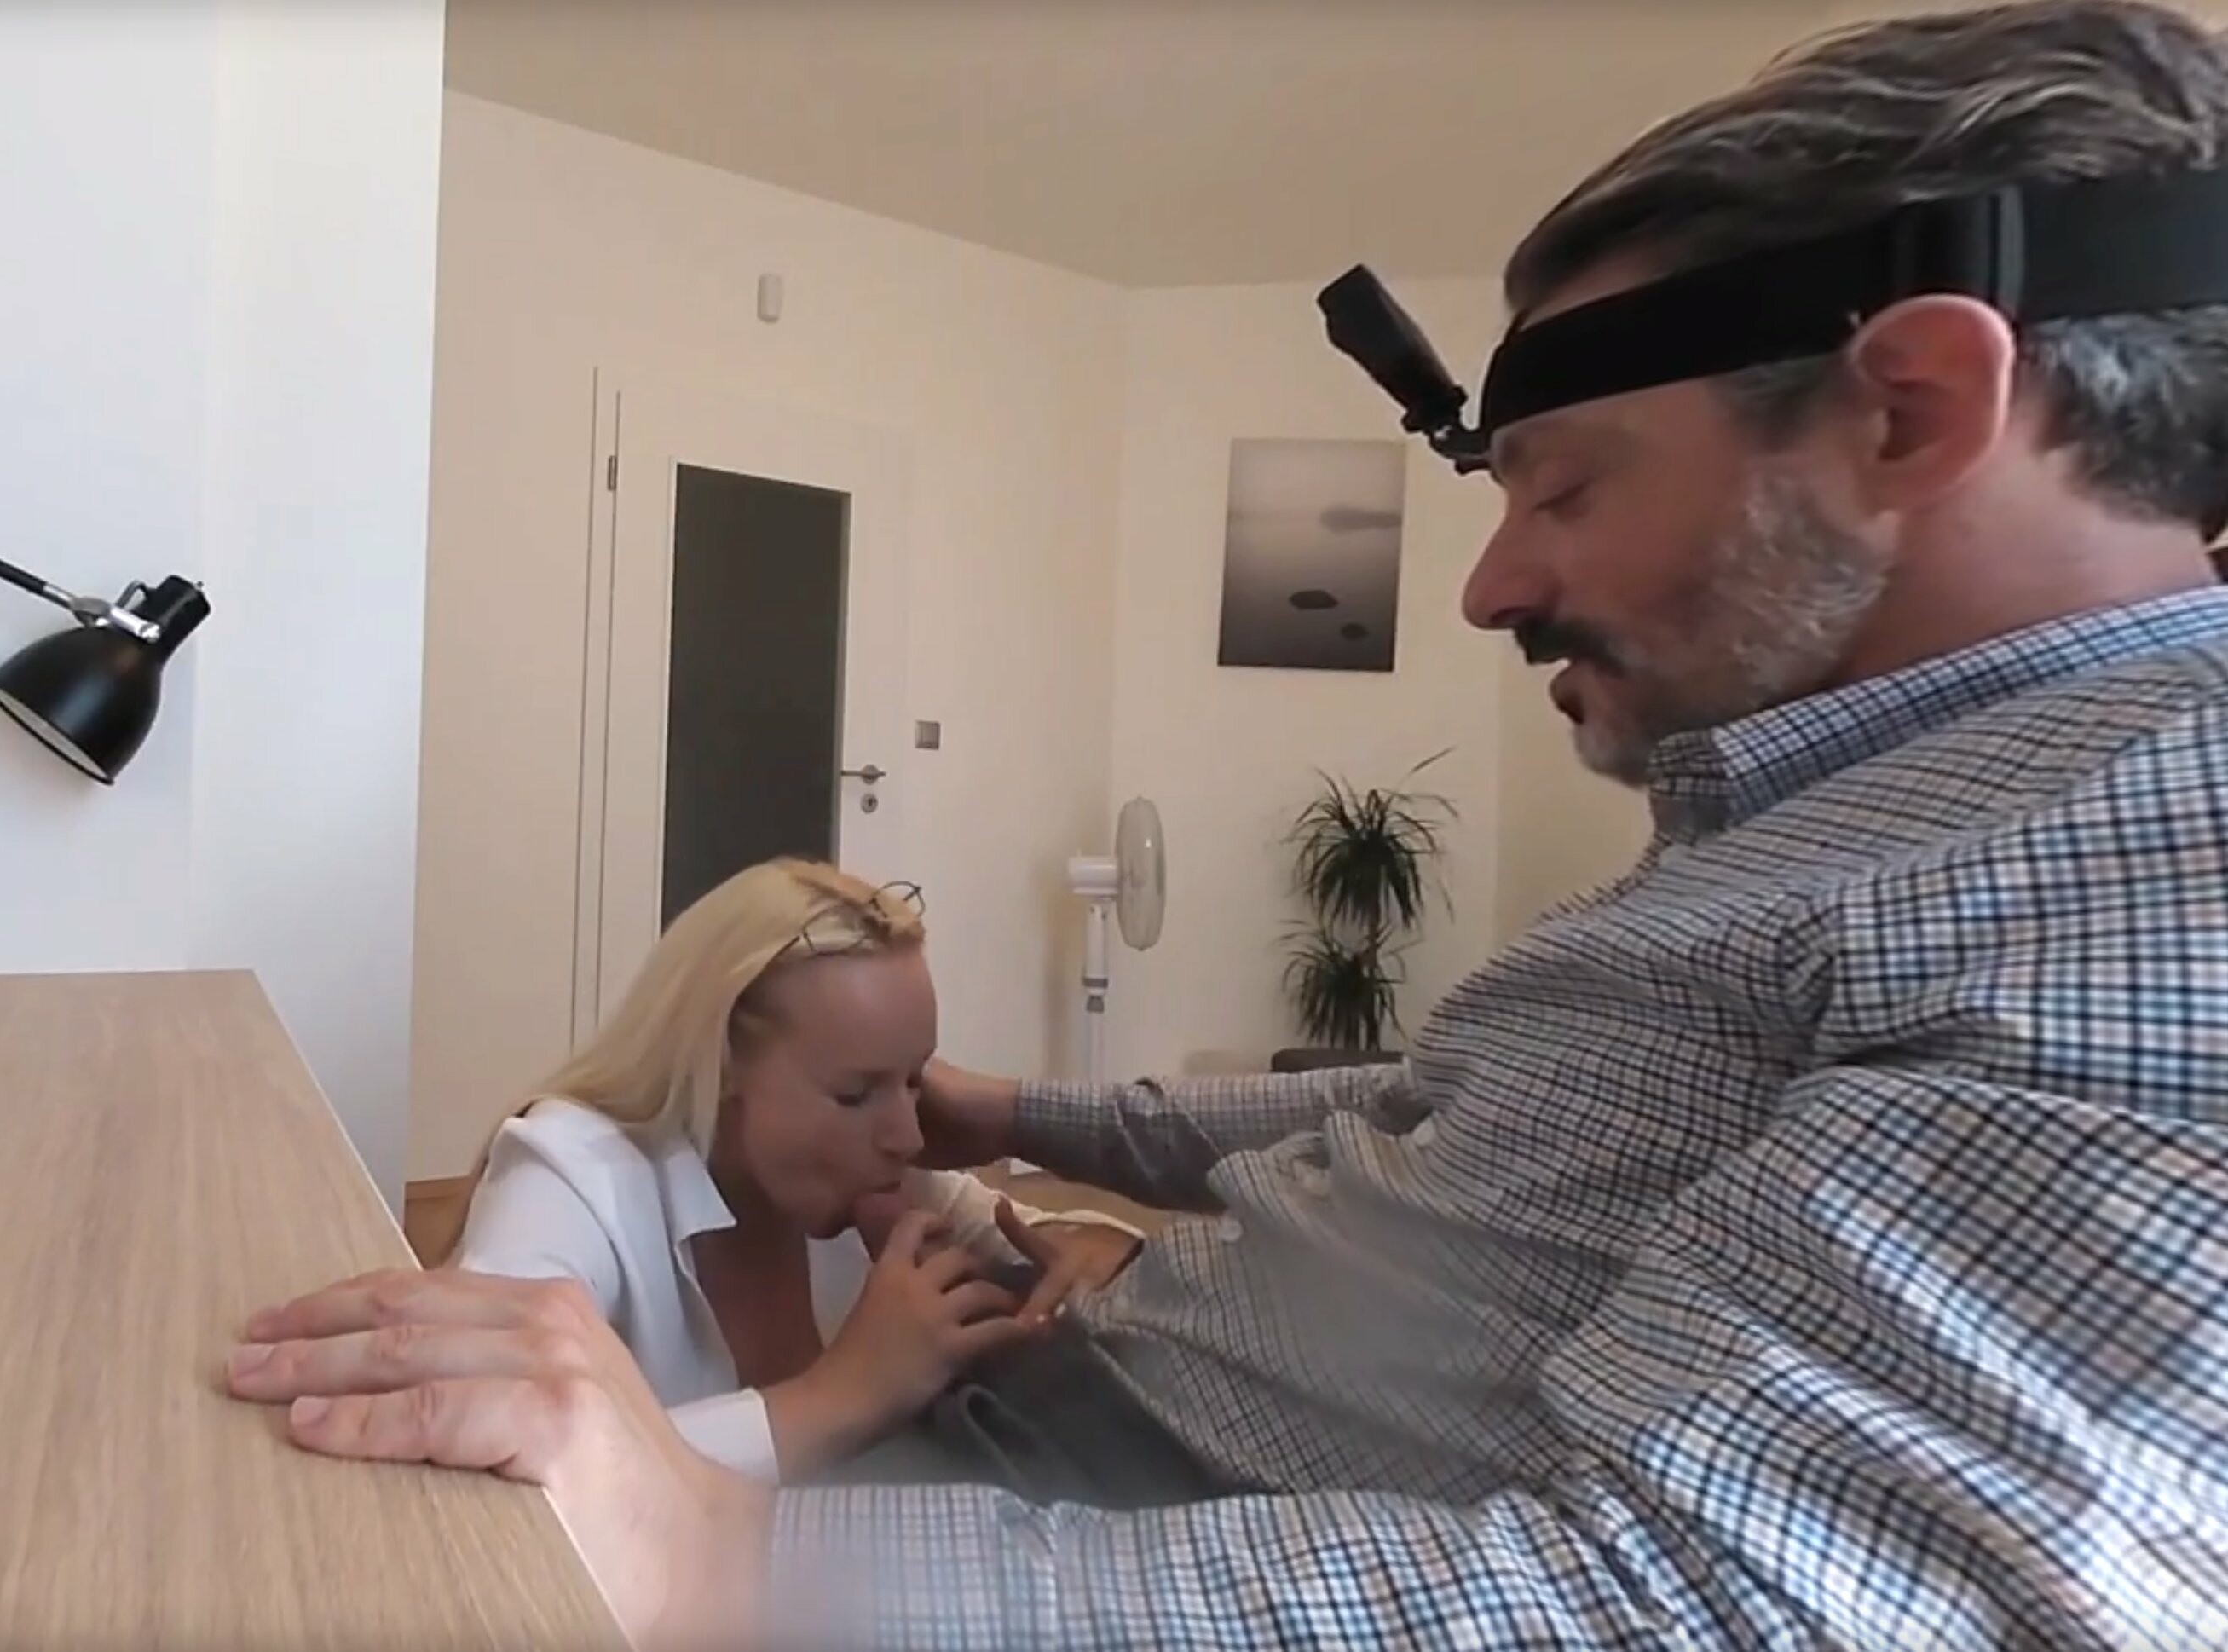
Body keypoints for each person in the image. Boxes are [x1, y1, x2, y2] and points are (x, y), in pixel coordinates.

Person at [226, 3, 2228, 1645]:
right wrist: (1015, 1113)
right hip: (1044, 1427)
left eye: (1561, 485)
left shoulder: (2152, 851)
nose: (1493, 587)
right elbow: (1428, 1113)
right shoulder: (1848, 817)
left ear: (1908, 410)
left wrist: (719, 1556)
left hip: (1080, 1545)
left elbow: (1739, 1600)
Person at [442, 857, 1149, 1484]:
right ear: (722, 1065)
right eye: (855, 1094)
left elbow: (1060, 1244)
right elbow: (483, 1436)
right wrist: (843, 1395)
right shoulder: (572, 1173)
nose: (907, 1135)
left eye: (914, 1081)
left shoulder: (889, 1184)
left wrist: (1095, 1261)